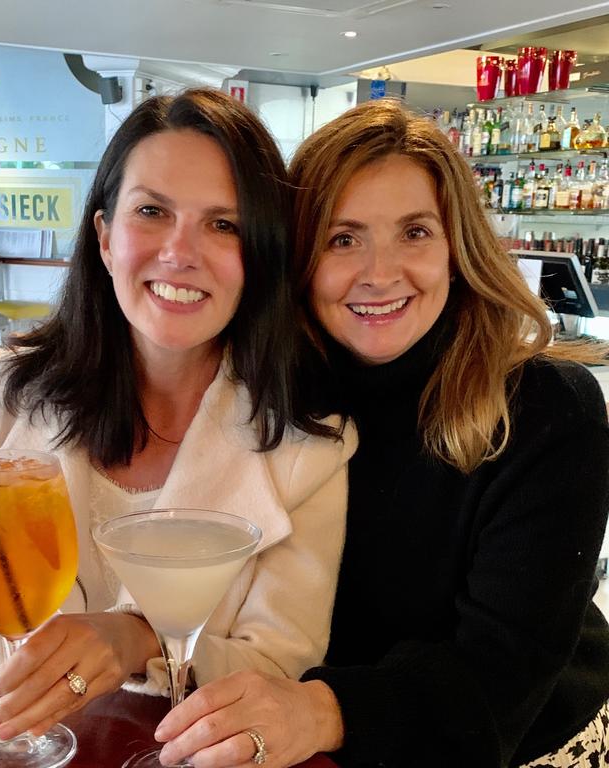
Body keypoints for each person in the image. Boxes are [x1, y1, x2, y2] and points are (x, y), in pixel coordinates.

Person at [152, 100, 609, 768]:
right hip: (325, 733)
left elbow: (501, 676)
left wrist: (319, 709)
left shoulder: (545, 409)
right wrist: (18, 378)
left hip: (521, 739)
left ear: (457, 247)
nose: (381, 272)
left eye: (414, 233)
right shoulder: (278, 390)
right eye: (343, 239)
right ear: (300, 261)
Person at [0, 89, 355, 744]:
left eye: (223, 224)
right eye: (151, 212)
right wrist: (22, 728)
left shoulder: (309, 444)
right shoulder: (14, 392)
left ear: (258, 257)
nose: (180, 252)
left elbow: (282, 663)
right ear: (106, 237)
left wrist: (140, 639)